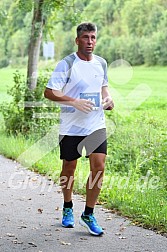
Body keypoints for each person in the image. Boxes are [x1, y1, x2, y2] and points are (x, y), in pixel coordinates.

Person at [44, 22, 114, 236]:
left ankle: (89, 213)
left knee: (99, 166)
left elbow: (104, 89)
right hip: (71, 127)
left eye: (93, 37)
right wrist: (74, 101)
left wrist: (108, 99)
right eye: (86, 37)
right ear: (77, 40)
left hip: (95, 124)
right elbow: (49, 92)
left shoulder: (101, 63)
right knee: (69, 169)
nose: (90, 41)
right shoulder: (66, 64)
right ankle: (67, 207)